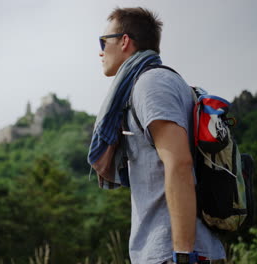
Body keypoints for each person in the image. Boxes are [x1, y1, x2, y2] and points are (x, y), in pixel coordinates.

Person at [88, 7, 226, 264]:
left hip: (172, 253)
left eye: (104, 41)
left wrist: (183, 255)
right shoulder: (159, 82)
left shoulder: (150, 84)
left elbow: (179, 164)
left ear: (125, 41)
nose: (100, 50)